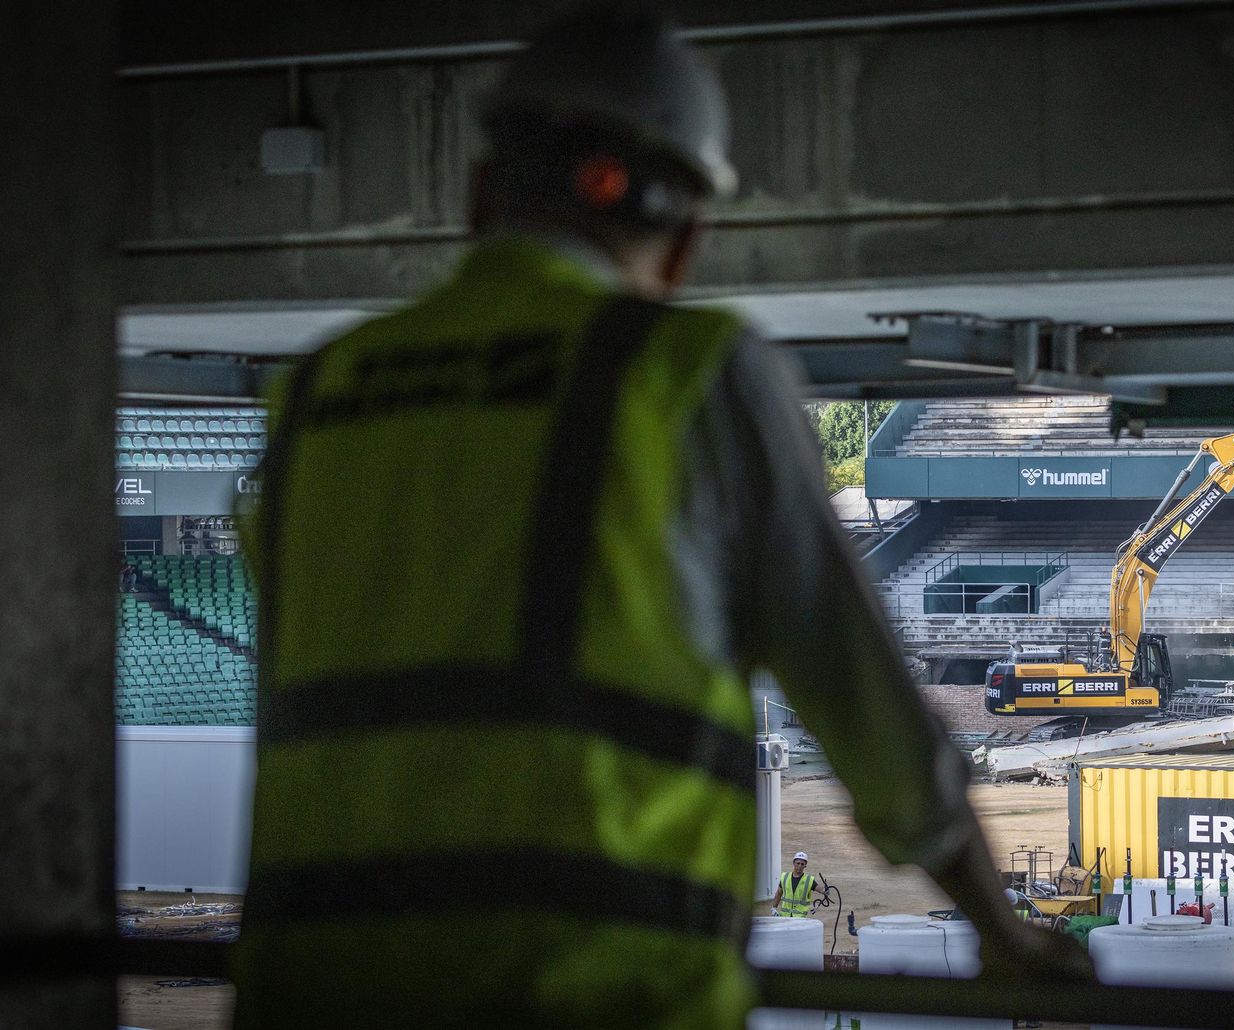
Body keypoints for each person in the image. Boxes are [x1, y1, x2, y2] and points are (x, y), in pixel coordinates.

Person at [232, 8, 1088, 1028]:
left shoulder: (318, 393)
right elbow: (873, 723)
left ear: (477, 195)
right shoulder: (686, 378)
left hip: (312, 988)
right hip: (589, 985)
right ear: (685, 239)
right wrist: (1009, 938)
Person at [773, 852, 819, 917]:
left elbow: (821, 889)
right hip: (785, 916)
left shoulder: (809, 880)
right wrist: (774, 908)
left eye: (802, 864)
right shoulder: (785, 877)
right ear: (794, 863)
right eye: (798, 863)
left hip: (799, 918)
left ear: (805, 865)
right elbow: (778, 893)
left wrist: (826, 890)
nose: (800, 866)